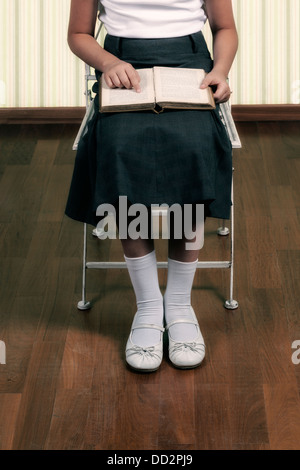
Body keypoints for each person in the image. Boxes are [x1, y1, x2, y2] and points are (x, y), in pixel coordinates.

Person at [65, 0, 238, 372]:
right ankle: (147, 306)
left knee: (192, 148)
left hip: (190, 61)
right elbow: (78, 34)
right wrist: (108, 63)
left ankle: (177, 303)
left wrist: (220, 71)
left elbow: (224, 28)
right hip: (122, 63)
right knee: (119, 150)